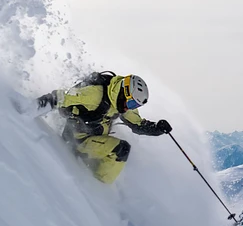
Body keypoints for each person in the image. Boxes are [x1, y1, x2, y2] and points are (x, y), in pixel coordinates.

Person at [37, 72, 171, 184]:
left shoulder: (120, 102)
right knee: (121, 150)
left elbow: (138, 125)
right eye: (130, 103)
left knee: (119, 151)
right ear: (123, 92)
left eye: (133, 105)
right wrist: (33, 106)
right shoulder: (95, 95)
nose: (128, 108)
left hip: (95, 138)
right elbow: (61, 97)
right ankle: (97, 188)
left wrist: (157, 128)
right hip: (77, 140)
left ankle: (96, 171)